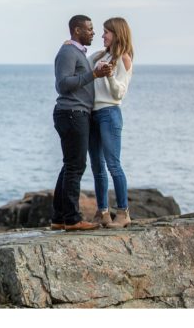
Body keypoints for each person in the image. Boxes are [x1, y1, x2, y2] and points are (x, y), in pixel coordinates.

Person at [50, 14, 111, 232]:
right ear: (77, 30)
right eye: (89, 29)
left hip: (75, 113)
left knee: (69, 166)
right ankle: (73, 220)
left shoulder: (78, 53)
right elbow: (63, 84)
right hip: (72, 113)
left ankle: (59, 217)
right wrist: (93, 75)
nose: (93, 33)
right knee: (76, 166)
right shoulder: (68, 52)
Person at [87, 17, 134, 228]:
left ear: (117, 34)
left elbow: (119, 93)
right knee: (97, 165)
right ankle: (102, 212)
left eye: (107, 32)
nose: (102, 35)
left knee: (113, 164)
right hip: (93, 113)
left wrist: (109, 77)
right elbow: (84, 65)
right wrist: (70, 43)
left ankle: (123, 213)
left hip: (109, 112)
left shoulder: (123, 59)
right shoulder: (100, 55)